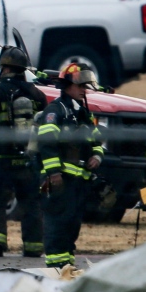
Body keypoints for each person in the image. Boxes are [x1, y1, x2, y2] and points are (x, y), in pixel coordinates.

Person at [0, 46, 47, 258]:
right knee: (31, 203)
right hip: (28, 161)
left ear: (5, 69)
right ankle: (33, 247)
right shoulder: (37, 95)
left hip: (0, 160)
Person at [37, 62, 104, 268]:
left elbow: (97, 141)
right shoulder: (55, 111)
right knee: (57, 224)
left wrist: (97, 156)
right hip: (60, 180)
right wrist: (54, 173)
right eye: (81, 86)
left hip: (78, 182)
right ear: (67, 85)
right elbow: (46, 143)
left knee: (72, 225)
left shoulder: (83, 114)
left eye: (86, 86)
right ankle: (55, 269)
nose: (84, 90)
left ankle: (67, 267)